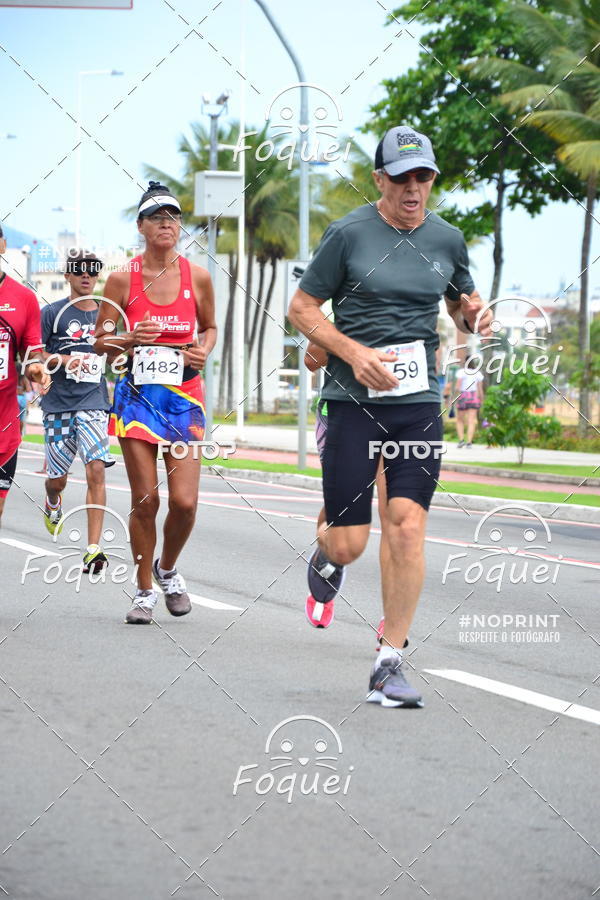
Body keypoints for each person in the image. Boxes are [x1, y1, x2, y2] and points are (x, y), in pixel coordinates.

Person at [289, 125, 491, 708]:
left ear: (432, 180)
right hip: (352, 404)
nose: (413, 187)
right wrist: (353, 353)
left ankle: (389, 661)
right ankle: (327, 550)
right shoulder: (348, 235)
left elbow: (460, 306)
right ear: (379, 178)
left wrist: (474, 318)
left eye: (423, 176)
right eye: (401, 177)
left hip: (418, 406)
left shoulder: (448, 239)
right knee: (351, 543)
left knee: (406, 525)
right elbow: (301, 307)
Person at [94, 181, 216, 624]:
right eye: (158, 216)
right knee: (146, 500)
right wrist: (129, 337)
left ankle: (168, 568)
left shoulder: (197, 276)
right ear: (142, 226)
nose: (168, 222)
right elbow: (101, 342)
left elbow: (210, 327)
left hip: (185, 398)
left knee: (184, 502)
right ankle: (144, 590)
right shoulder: (122, 279)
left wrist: (204, 349)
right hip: (137, 399)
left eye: (174, 216)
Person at [304, 339, 388, 643]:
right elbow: (311, 360)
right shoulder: (347, 303)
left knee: (395, 513)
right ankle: (329, 556)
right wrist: (348, 340)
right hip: (344, 409)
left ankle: (391, 620)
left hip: (400, 414)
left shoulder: (413, 301)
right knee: (341, 504)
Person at [40, 249, 114, 574]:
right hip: (58, 405)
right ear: (68, 276)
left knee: (96, 470)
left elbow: (114, 354)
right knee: (57, 480)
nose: (86, 276)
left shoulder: (106, 316)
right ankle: (52, 502)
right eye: (79, 271)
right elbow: (36, 353)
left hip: (94, 402)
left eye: (92, 271)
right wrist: (65, 360)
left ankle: (93, 547)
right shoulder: (51, 313)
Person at [0, 224, 50, 524]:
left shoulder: (23, 298)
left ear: (2, 246)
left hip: (3, 424)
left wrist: (37, 371)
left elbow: (31, 355)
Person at [455, 355, 484, 449]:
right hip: (473, 396)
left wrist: (454, 398)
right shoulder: (478, 373)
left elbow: (457, 387)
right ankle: (469, 442)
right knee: (471, 421)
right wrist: (482, 400)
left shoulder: (461, 372)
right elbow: (480, 389)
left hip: (463, 396)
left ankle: (461, 440)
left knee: (460, 420)